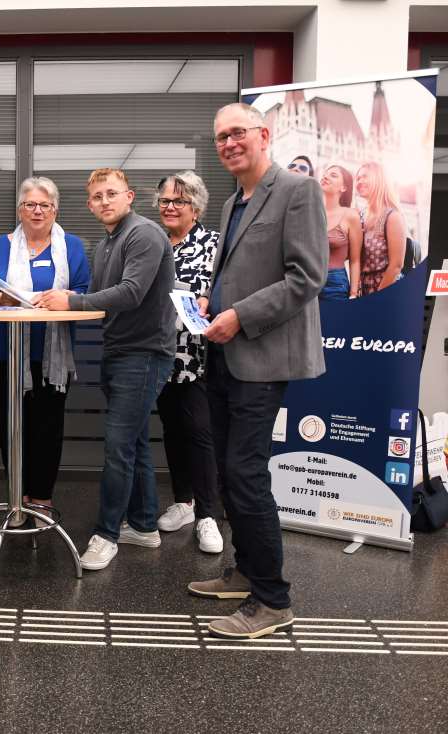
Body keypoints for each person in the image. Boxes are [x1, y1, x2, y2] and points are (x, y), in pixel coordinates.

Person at [188, 103, 326, 639]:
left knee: (245, 474)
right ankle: (245, 571)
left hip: (262, 355)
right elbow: (236, 271)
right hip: (223, 353)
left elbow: (306, 277)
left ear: (263, 135)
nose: (228, 143)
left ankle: (273, 599)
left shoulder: (296, 191)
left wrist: (239, 316)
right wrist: (209, 298)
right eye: (220, 137)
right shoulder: (230, 204)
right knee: (227, 471)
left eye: (237, 133)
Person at [36, 168, 175, 571]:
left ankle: (107, 534)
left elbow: (130, 293)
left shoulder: (144, 234)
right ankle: (145, 526)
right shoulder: (105, 244)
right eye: (96, 197)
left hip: (144, 354)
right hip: (119, 350)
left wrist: (70, 303)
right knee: (132, 443)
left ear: (129, 196)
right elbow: (100, 299)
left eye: (111, 194)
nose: (104, 202)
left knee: (117, 447)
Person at [0, 177, 90, 525]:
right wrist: (1, 298)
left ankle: (42, 499)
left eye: (44, 205)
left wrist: (63, 300)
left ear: (55, 210)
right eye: (30, 205)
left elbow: (81, 289)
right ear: (19, 209)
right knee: (10, 428)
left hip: (51, 358)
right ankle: (16, 498)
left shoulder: (72, 247)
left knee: (47, 430)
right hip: (3, 354)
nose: (37, 211)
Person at [152, 171, 223, 554]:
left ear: (195, 206)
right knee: (172, 428)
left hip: (197, 354)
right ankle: (184, 502)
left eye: (177, 201)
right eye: (164, 201)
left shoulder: (213, 243)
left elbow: (226, 288)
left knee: (199, 430)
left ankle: (209, 514)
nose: (169, 207)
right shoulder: (153, 242)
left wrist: (211, 299)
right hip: (158, 351)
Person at [356, 160, 407, 296]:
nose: (359, 181)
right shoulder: (360, 215)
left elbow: (396, 265)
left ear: (378, 179)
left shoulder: (392, 216)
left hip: (388, 291)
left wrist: (378, 298)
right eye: (358, 178)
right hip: (364, 291)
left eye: (365, 176)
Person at [318, 164, 363, 300]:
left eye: (333, 175)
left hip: (335, 285)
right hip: (308, 281)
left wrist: (353, 294)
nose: (326, 176)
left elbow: (355, 260)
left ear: (343, 187)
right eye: (325, 173)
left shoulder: (351, 216)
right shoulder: (312, 211)